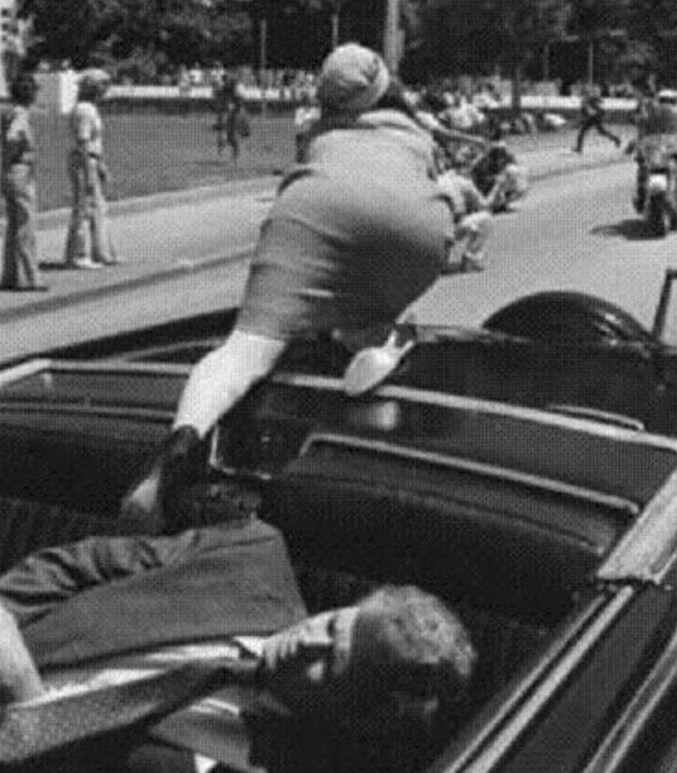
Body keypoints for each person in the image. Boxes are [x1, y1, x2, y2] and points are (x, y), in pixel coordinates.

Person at [120, 44, 454, 532]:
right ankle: (374, 338)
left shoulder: (318, 133)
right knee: (376, 296)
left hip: (310, 204)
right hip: (411, 223)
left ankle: (177, 449)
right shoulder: (415, 132)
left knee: (242, 352)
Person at [0, 518, 477, 772]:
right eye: (332, 624)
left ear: (356, 716)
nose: (307, 641)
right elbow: (77, 565)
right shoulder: (249, 556)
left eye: (332, 663)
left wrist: (25, 696)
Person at [63, 70, 120, 269]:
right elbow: (83, 141)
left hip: (92, 158)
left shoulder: (90, 109)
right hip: (83, 160)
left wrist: (101, 165)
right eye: (103, 87)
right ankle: (77, 255)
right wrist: (88, 170)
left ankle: (102, 251)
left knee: (98, 207)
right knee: (84, 208)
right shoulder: (84, 110)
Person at [0, 73, 46, 292]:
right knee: (25, 224)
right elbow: (12, 137)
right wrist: (14, 156)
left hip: (10, 171)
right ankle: (29, 276)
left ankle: (12, 275)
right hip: (20, 169)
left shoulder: (9, 112)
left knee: (14, 225)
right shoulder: (20, 114)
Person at [574, 87, 621, 154]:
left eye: (581, 93)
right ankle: (616, 139)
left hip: (595, 117)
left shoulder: (586, 99)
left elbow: (597, 104)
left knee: (583, 131)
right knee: (600, 132)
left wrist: (595, 106)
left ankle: (579, 148)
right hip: (594, 116)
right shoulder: (587, 99)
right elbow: (599, 102)